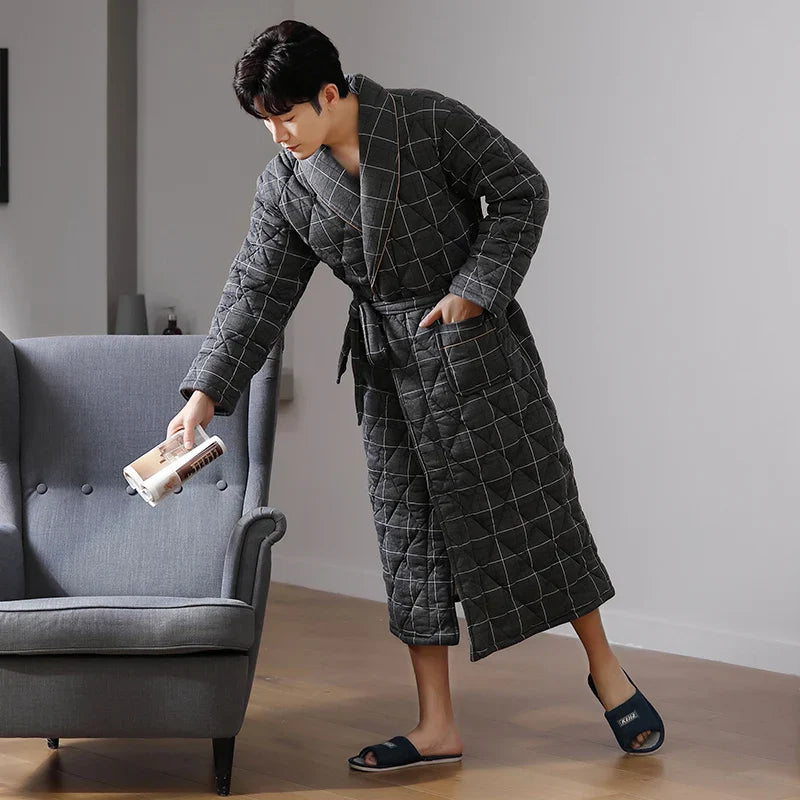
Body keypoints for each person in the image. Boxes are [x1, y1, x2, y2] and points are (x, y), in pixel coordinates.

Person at [166, 19, 665, 772]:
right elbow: (256, 289)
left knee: (537, 510)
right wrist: (204, 396)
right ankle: (437, 725)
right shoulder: (286, 186)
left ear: (328, 93)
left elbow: (522, 190)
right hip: (389, 371)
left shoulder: (427, 119)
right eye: (264, 122)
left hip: (476, 354)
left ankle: (606, 671)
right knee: (411, 544)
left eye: (285, 116)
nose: (276, 135)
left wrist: (475, 290)